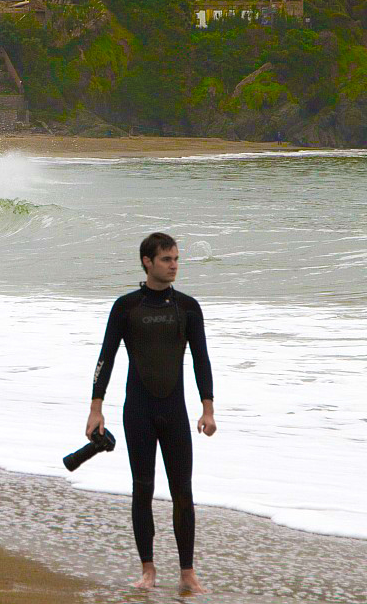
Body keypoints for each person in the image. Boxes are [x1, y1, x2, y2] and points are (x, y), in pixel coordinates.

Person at [86, 232, 215, 595]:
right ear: (147, 262)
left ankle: (188, 573)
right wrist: (96, 408)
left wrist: (207, 407)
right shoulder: (126, 307)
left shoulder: (188, 307)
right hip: (138, 411)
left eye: (176, 259)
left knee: (183, 492)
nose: (174, 266)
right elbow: (106, 358)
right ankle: (148, 570)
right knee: (142, 489)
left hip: (174, 411)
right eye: (166, 259)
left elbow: (201, 360)